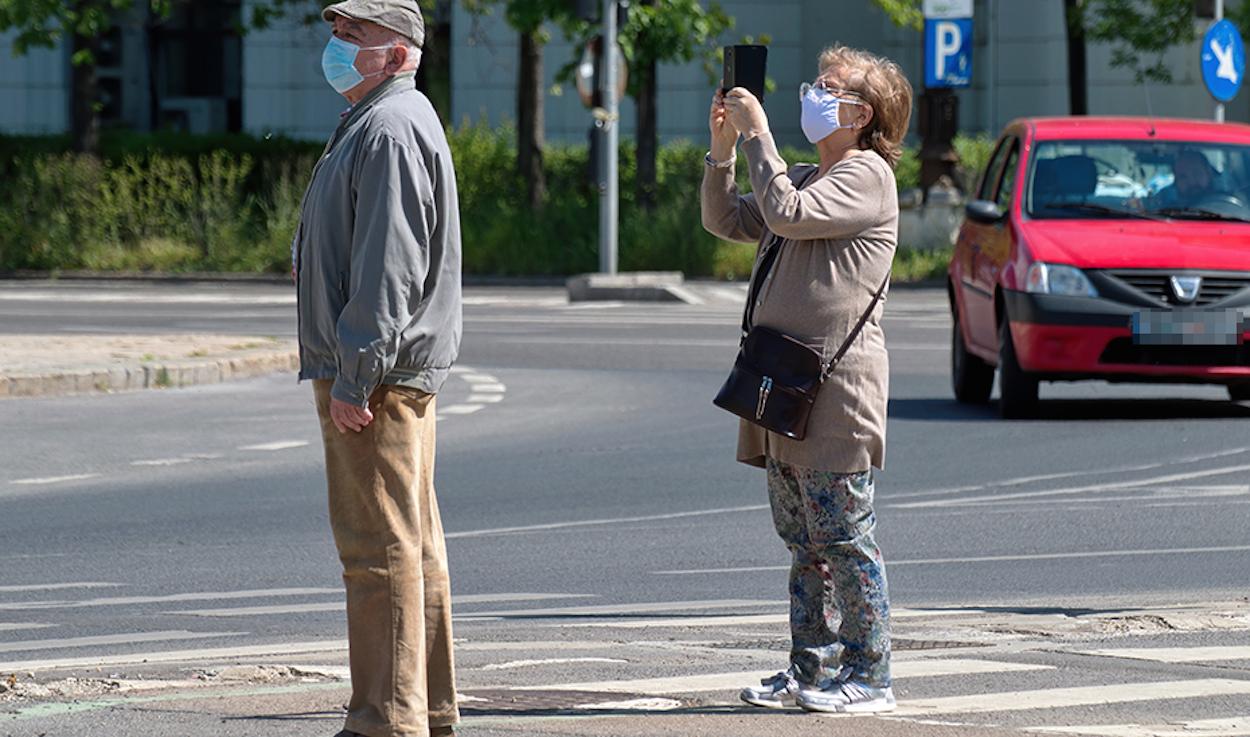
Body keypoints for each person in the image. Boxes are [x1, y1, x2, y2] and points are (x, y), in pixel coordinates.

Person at [700, 45, 912, 714]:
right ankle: (810, 666)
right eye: (814, 84)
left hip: (835, 389)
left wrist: (758, 132)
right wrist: (724, 151)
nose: (813, 96)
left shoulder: (867, 175)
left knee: (844, 535)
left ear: (862, 112)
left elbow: (787, 213)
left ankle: (870, 673)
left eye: (829, 88)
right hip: (782, 379)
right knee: (803, 541)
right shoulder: (799, 175)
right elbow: (728, 219)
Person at [293, 2, 461, 735]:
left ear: (397, 55)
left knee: (378, 552)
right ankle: (425, 706)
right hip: (391, 371)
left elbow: (388, 266)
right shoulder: (384, 120)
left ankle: (387, 719)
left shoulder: (389, 127)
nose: (335, 46)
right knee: (412, 546)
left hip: (377, 377)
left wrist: (354, 376)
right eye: (335, 32)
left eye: (352, 36)